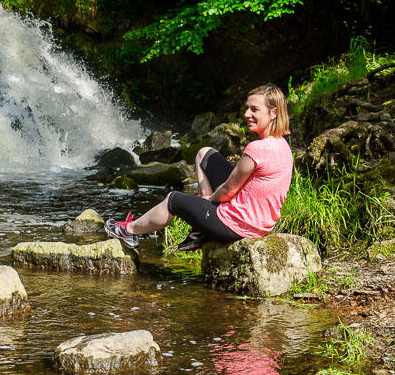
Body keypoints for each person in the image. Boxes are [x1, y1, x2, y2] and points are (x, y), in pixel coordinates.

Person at [105, 84, 293, 252]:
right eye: (246, 108)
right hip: (259, 223)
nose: (246, 115)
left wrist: (210, 200)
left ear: (274, 113)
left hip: (238, 225)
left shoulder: (257, 149)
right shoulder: (282, 145)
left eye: (254, 110)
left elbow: (228, 190)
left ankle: (128, 231)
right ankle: (200, 231)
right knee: (204, 153)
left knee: (173, 200)